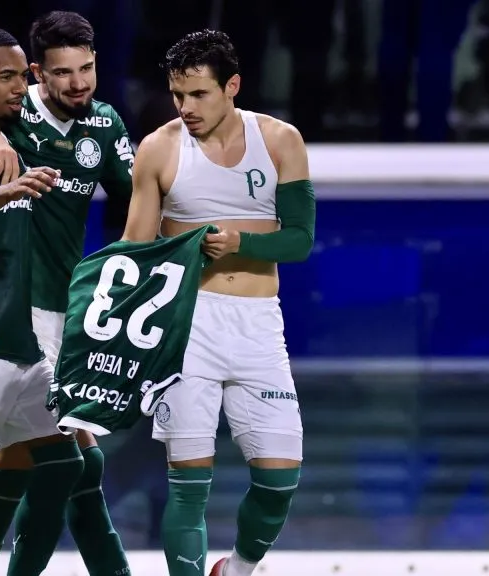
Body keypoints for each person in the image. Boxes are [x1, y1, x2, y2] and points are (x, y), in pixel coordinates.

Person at [0, 12, 133, 575]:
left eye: (87, 69)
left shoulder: (105, 126)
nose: (78, 83)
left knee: (67, 466)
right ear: (38, 74)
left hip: (67, 315)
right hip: (0, 314)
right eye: (62, 73)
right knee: (56, 465)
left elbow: (142, 203)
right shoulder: (8, 116)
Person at [121, 30, 315, 576]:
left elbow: (299, 240)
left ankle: (238, 569)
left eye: (199, 95)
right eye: (178, 95)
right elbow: (135, 250)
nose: (186, 108)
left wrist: (241, 245)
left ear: (232, 86)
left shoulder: (280, 141)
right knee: (187, 484)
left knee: (279, 478)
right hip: (187, 324)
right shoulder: (158, 147)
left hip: (257, 324)